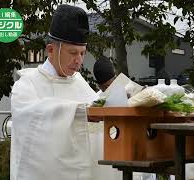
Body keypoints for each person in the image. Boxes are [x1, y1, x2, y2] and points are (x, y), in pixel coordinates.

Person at [10, 4, 120, 180]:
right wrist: (80, 112)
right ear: (51, 50)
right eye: (73, 53)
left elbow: (96, 109)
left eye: (83, 53)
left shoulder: (79, 83)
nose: (79, 61)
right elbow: (34, 117)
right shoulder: (27, 86)